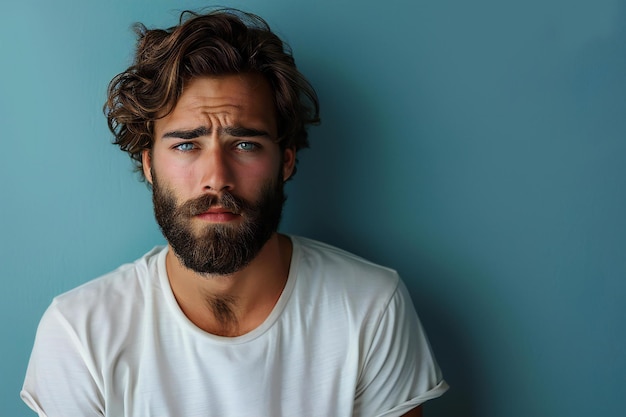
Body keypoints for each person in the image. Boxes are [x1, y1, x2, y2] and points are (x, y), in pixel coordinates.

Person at [21, 8, 447, 417]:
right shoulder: (80, 333)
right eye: (187, 144)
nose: (217, 177)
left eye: (245, 144)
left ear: (286, 160)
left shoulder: (370, 307)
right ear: (149, 164)